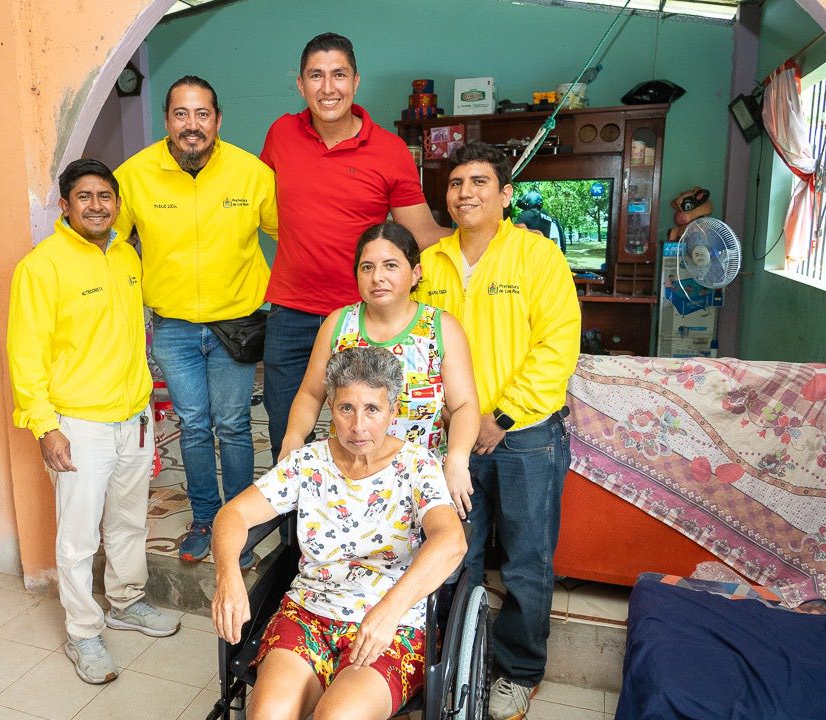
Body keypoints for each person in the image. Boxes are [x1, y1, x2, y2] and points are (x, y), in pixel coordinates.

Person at [415, 141, 580, 720]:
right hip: (452, 441)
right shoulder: (431, 262)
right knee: (453, 552)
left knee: (526, 563)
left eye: (480, 182)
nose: (466, 193)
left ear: (506, 195)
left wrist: (501, 417)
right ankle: (451, 661)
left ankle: (519, 671)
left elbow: (557, 346)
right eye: (456, 183)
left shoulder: (537, 256)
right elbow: (418, 338)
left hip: (525, 438)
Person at [212, 347, 466, 720]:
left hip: (391, 624)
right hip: (309, 613)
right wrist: (228, 575)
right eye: (347, 408)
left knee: (336, 716)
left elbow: (451, 541)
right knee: (267, 714)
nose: (359, 425)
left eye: (372, 409)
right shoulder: (307, 462)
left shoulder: (417, 466)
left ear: (392, 410)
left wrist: (388, 611)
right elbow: (231, 515)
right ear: (330, 406)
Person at [7, 158, 179, 686]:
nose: (97, 206)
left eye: (105, 196)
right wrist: (45, 426)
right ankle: (83, 631)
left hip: (133, 417)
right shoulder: (41, 267)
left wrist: (144, 405)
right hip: (78, 424)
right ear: (65, 205)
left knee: (128, 521)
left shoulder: (127, 256)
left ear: (117, 204)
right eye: (85, 197)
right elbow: (26, 355)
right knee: (79, 538)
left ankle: (126, 601)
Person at [259, 32, 449, 467]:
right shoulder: (281, 134)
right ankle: (298, 513)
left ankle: (359, 510)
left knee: (365, 436)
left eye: (339, 75)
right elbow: (254, 203)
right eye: (316, 76)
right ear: (300, 84)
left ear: (356, 81)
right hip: (291, 313)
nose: (328, 88)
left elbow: (422, 232)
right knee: (287, 435)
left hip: (361, 317)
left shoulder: (390, 150)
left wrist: (496, 235)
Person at [113, 76, 278, 566]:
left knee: (233, 424)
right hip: (174, 328)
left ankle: (239, 522)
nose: (192, 125)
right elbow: (107, 245)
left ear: (218, 120)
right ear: (166, 120)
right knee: (193, 425)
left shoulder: (252, 173)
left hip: (237, 325)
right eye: (181, 114)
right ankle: (205, 518)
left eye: (202, 114)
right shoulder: (134, 175)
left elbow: (293, 233)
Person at [280, 221, 480, 519]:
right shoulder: (338, 324)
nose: (377, 278)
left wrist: (457, 459)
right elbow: (310, 394)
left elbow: (464, 405)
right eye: (367, 267)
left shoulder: (441, 328)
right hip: (347, 479)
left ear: (416, 273)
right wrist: (293, 439)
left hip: (419, 483)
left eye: (391, 265)